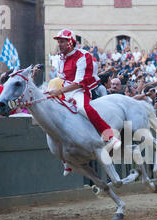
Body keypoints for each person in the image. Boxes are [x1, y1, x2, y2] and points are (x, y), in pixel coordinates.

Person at [48, 29, 121, 176]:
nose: (60, 44)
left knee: (84, 108)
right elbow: (59, 78)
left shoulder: (83, 56)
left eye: (62, 41)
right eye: (59, 41)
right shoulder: (60, 58)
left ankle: (110, 137)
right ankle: (66, 160)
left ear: (70, 42)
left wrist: (59, 92)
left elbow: (79, 83)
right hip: (63, 90)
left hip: (78, 90)